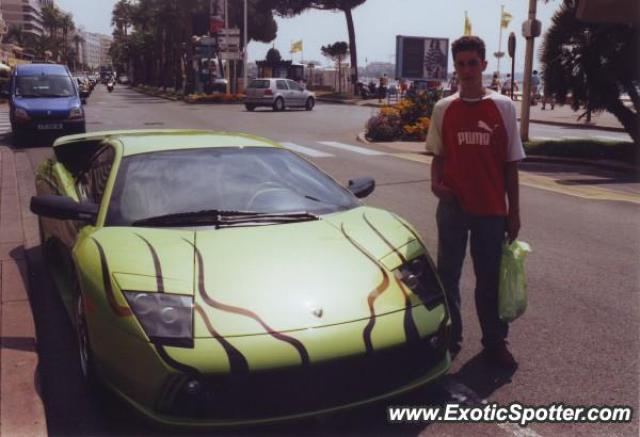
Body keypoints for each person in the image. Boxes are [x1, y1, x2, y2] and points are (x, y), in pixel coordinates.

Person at [425, 35, 525, 369]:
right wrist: (436, 184)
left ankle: (495, 342)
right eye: (461, 64)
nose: (466, 70)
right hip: (453, 207)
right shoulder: (444, 108)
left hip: (491, 209)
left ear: (484, 65)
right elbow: (438, 156)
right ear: (455, 68)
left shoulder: (503, 107)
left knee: (489, 279)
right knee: (448, 275)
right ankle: (452, 337)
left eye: (472, 63)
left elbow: (511, 165)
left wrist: (514, 213)